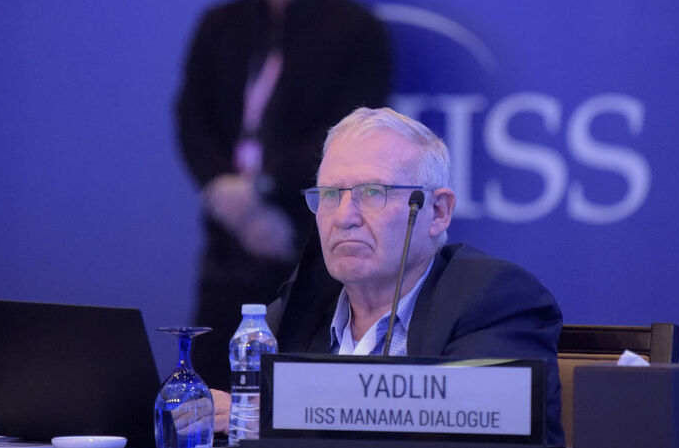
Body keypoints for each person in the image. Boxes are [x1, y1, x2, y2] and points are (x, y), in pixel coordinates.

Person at [211, 107, 565, 446]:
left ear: (438, 211)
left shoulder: (495, 301)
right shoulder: (290, 316)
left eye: (372, 193)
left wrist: (271, 419)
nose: (344, 216)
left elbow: (475, 437)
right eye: (331, 194)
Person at [175, 0, 392, 387]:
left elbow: (346, 130)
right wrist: (227, 194)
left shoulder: (357, 30)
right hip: (228, 244)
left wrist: (264, 191)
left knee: (300, 392)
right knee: (213, 394)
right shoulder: (220, 23)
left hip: (307, 242)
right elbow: (191, 119)